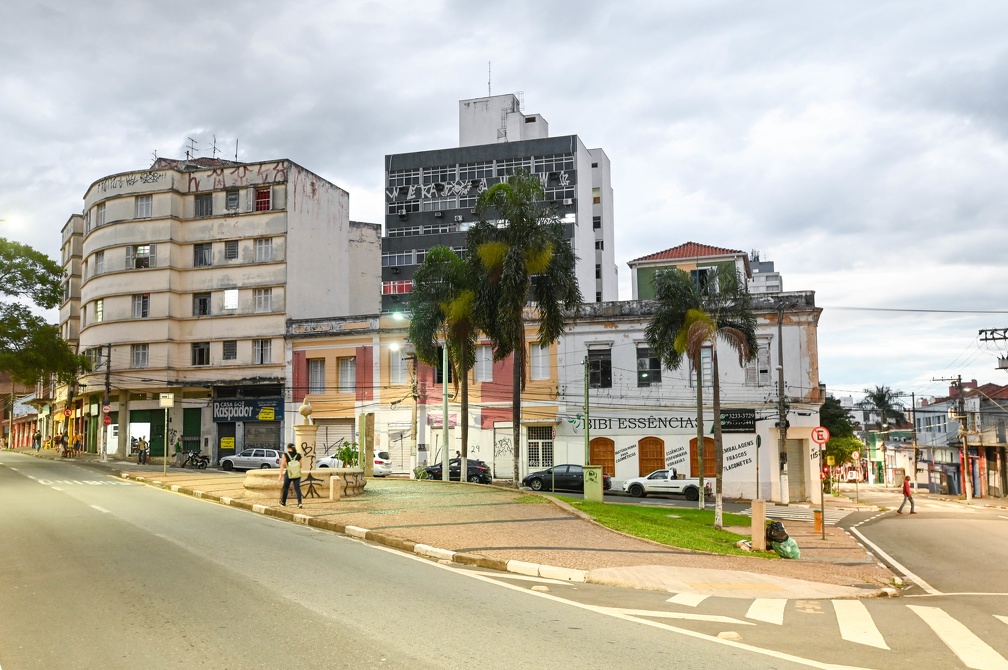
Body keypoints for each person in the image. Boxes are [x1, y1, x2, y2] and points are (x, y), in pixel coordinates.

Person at [279, 443, 303, 508]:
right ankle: (299, 503)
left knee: (286, 488)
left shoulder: (285, 454)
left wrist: (280, 474)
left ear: (288, 448)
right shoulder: (298, 455)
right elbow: (301, 465)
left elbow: (283, 464)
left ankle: (283, 502)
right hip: (297, 473)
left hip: (289, 473)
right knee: (297, 488)